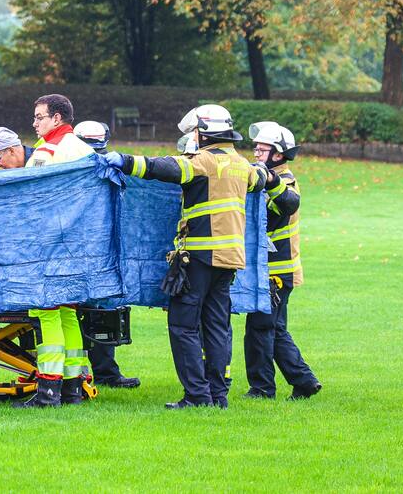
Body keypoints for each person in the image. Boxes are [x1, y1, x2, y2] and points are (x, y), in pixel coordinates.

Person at [103, 103, 268, 409]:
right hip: (229, 259)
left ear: (204, 133)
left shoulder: (203, 162)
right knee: (217, 327)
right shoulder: (242, 165)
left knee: (183, 326)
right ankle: (218, 395)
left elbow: (161, 167)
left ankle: (196, 395)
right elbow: (264, 179)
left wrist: (123, 161)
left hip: (200, 258)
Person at [18, 94, 96, 408]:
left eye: (39, 117)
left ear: (57, 119)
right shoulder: (85, 149)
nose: (34, 123)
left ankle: (48, 392)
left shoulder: (46, 151)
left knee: (47, 313)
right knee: (68, 314)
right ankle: (72, 389)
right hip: (79, 246)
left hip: (49, 244)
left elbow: (30, 197)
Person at [243, 121, 322, 400]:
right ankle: (304, 382)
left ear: (278, 154)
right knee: (273, 329)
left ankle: (262, 388)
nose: (255, 154)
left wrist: (270, 181)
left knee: (261, 329)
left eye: (261, 149)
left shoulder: (285, 181)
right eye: (255, 148)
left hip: (276, 271)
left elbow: (287, 204)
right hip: (269, 270)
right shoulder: (263, 178)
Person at [73, 120, 140, 391]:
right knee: (87, 312)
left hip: (99, 252)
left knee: (100, 311)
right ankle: (90, 374)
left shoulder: (107, 166)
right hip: (82, 252)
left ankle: (104, 373)